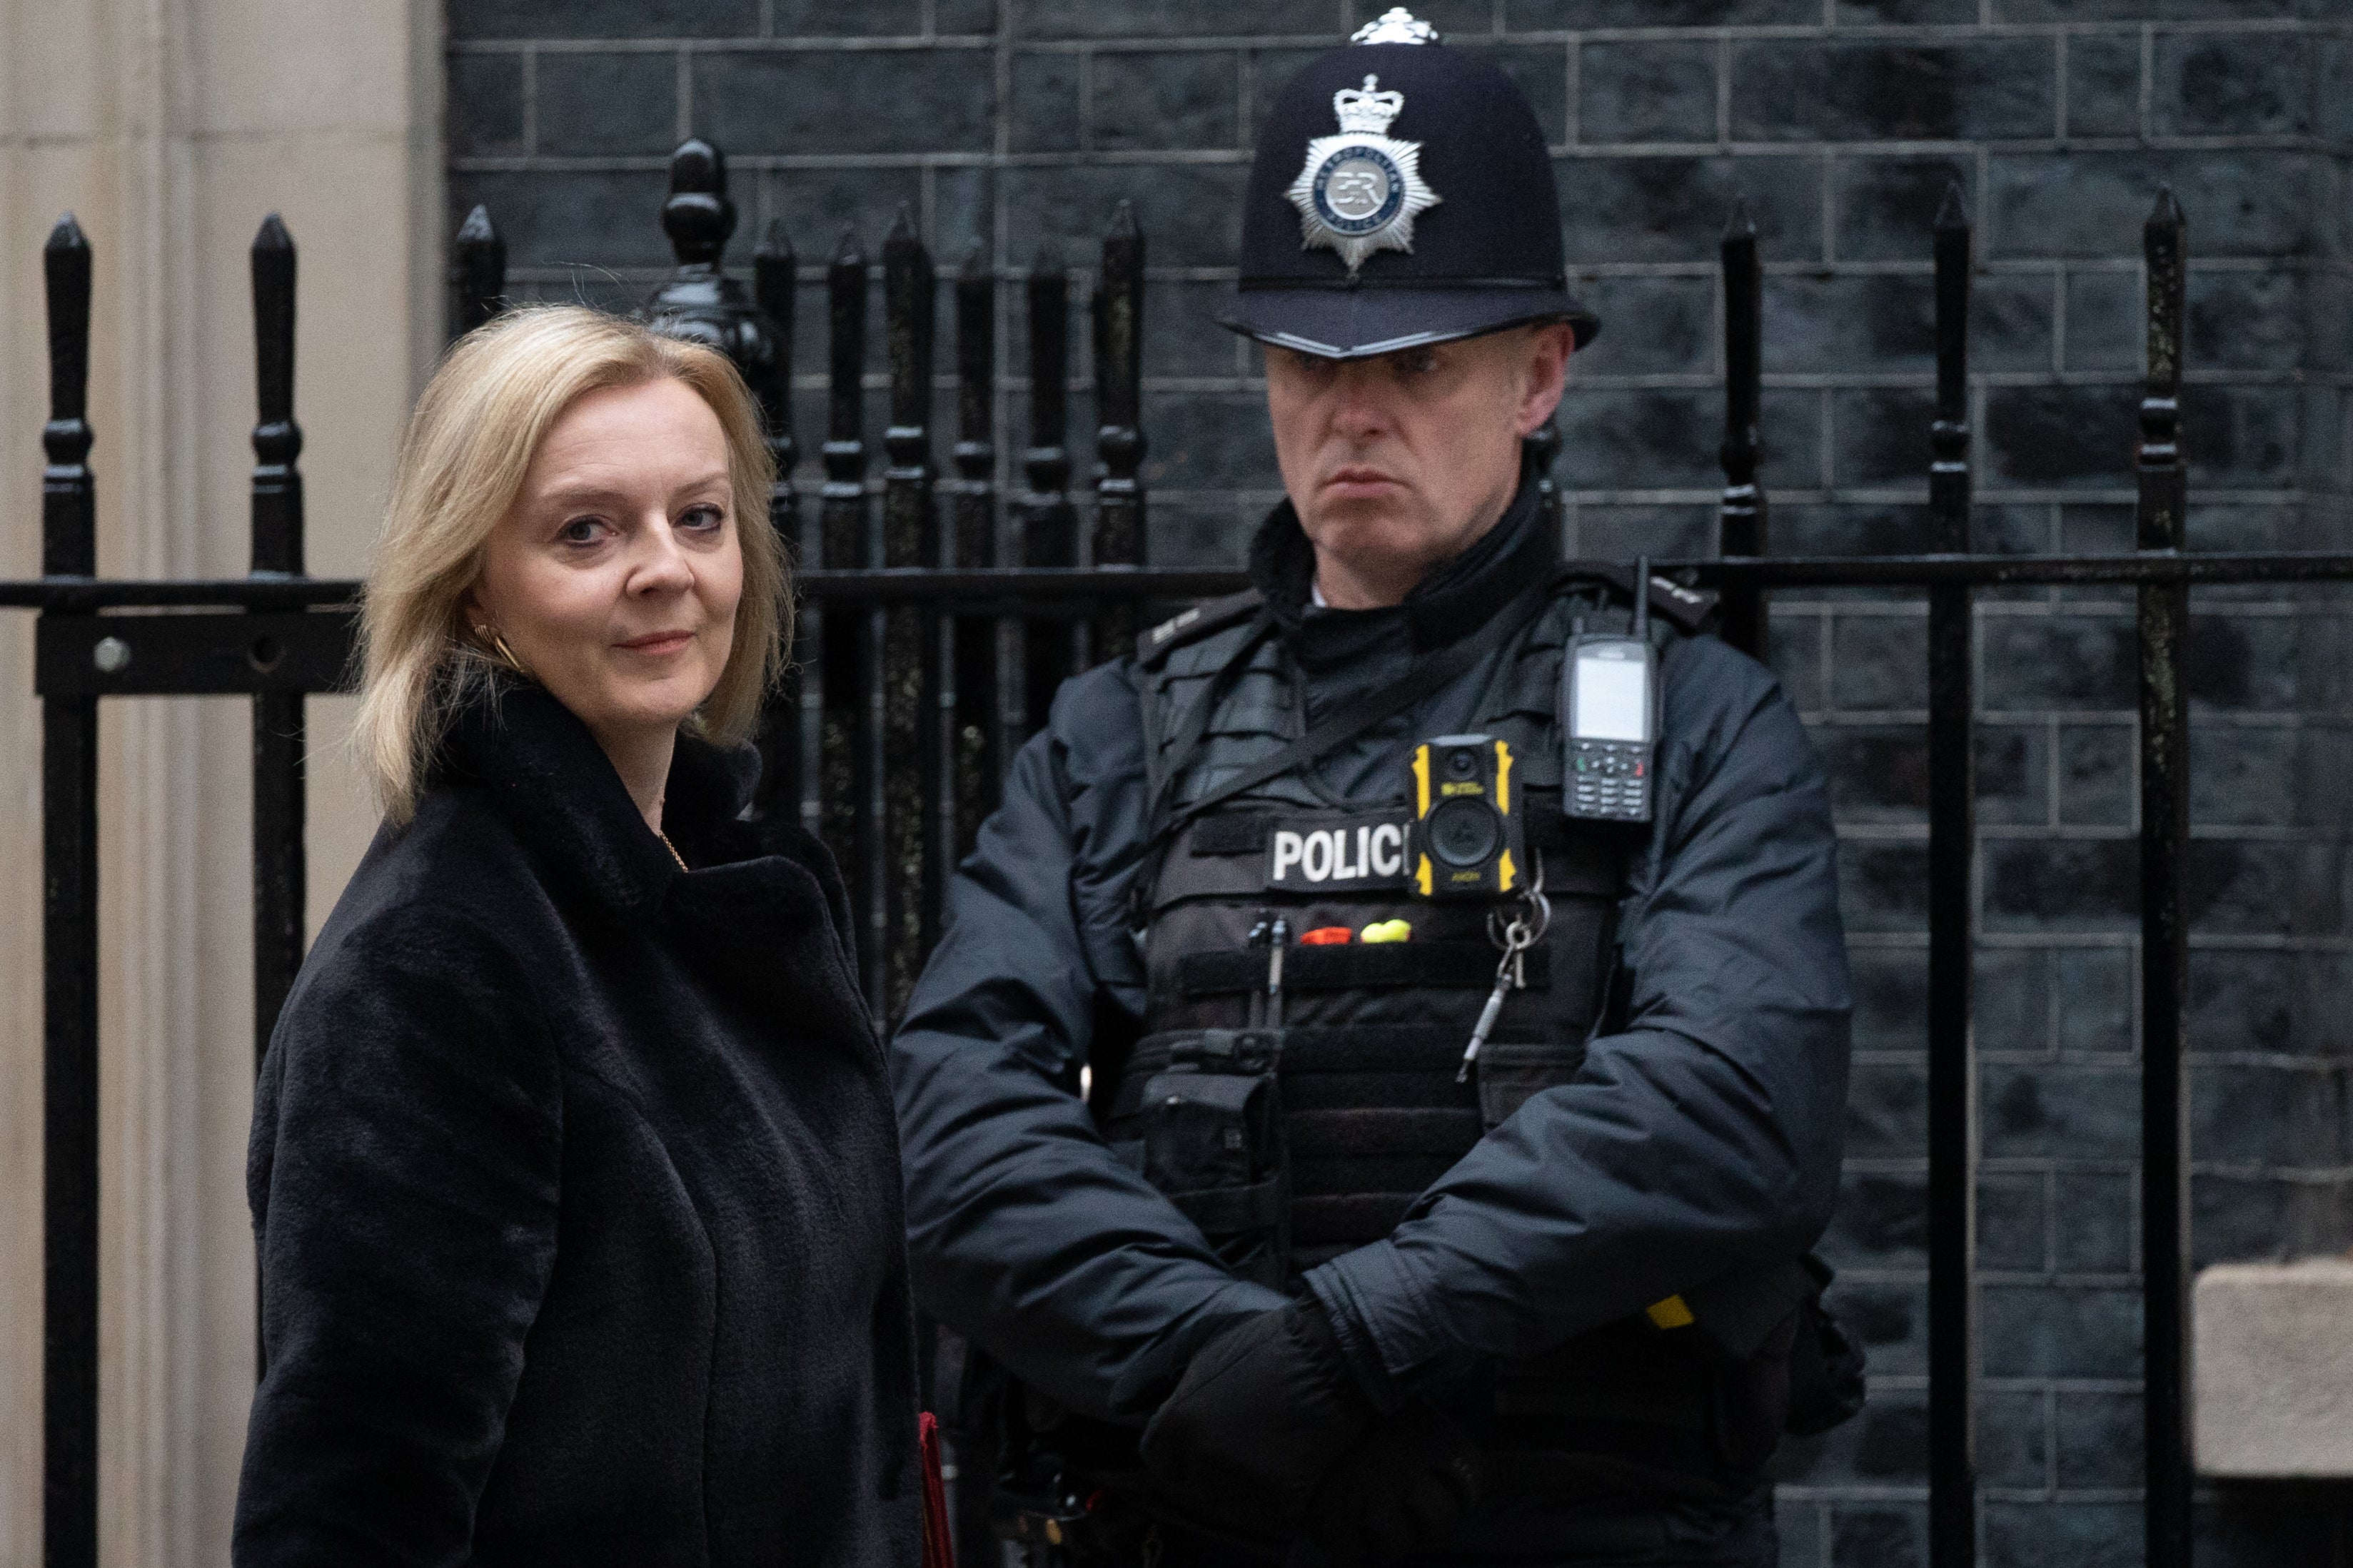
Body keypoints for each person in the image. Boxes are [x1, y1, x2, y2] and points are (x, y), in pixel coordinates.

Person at [891, 13, 1857, 1567]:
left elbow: (1735, 1100)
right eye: (1311, 363)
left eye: (1419, 363)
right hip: (1204, 1515)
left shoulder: (1685, 713)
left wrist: (1347, 1351)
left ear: (1538, 376)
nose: (1355, 413)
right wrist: (1232, 1374)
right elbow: (954, 1125)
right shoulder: (1120, 733)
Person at [233, 307, 921, 1567]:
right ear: (475, 588)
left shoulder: (708, 884)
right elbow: (354, 1498)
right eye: (585, 531)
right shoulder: (437, 963)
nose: (664, 567)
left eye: (699, 517)